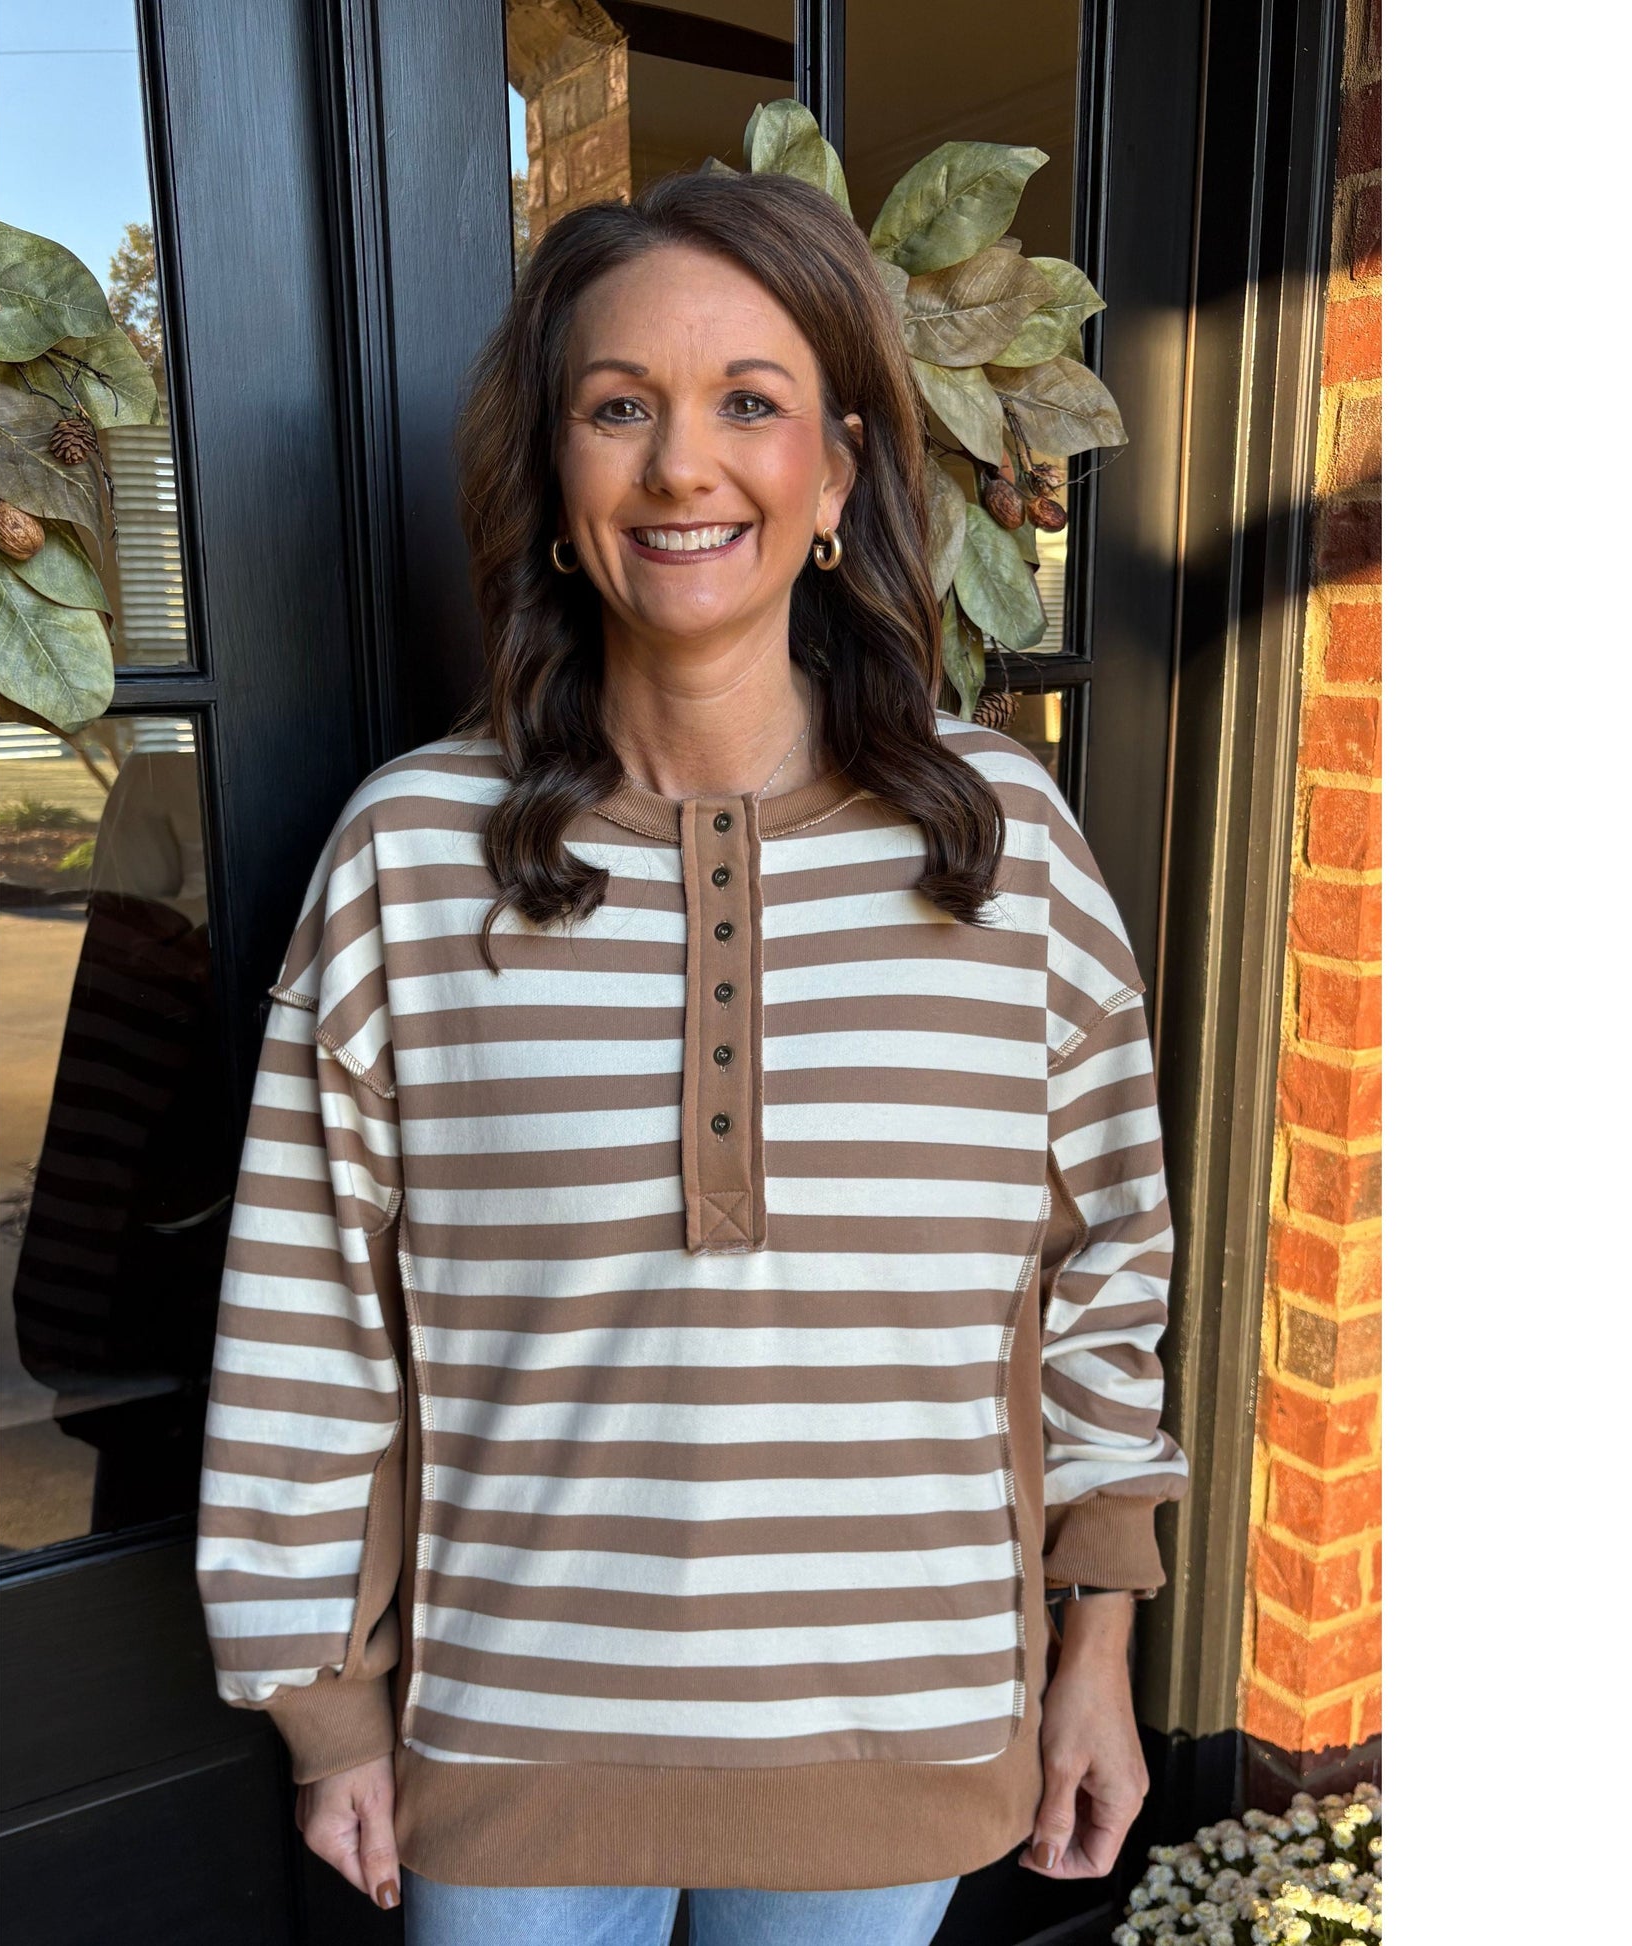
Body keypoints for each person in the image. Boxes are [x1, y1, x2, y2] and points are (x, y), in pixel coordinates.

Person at [194, 170, 1189, 1946]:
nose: (680, 466)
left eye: (750, 399)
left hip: (897, 1730)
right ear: (557, 480)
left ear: (839, 470)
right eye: (617, 406)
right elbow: (305, 1312)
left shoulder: (1005, 843)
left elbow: (1105, 1267)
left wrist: (1093, 1645)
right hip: (507, 1746)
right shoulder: (410, 853)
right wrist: (315, 1704)